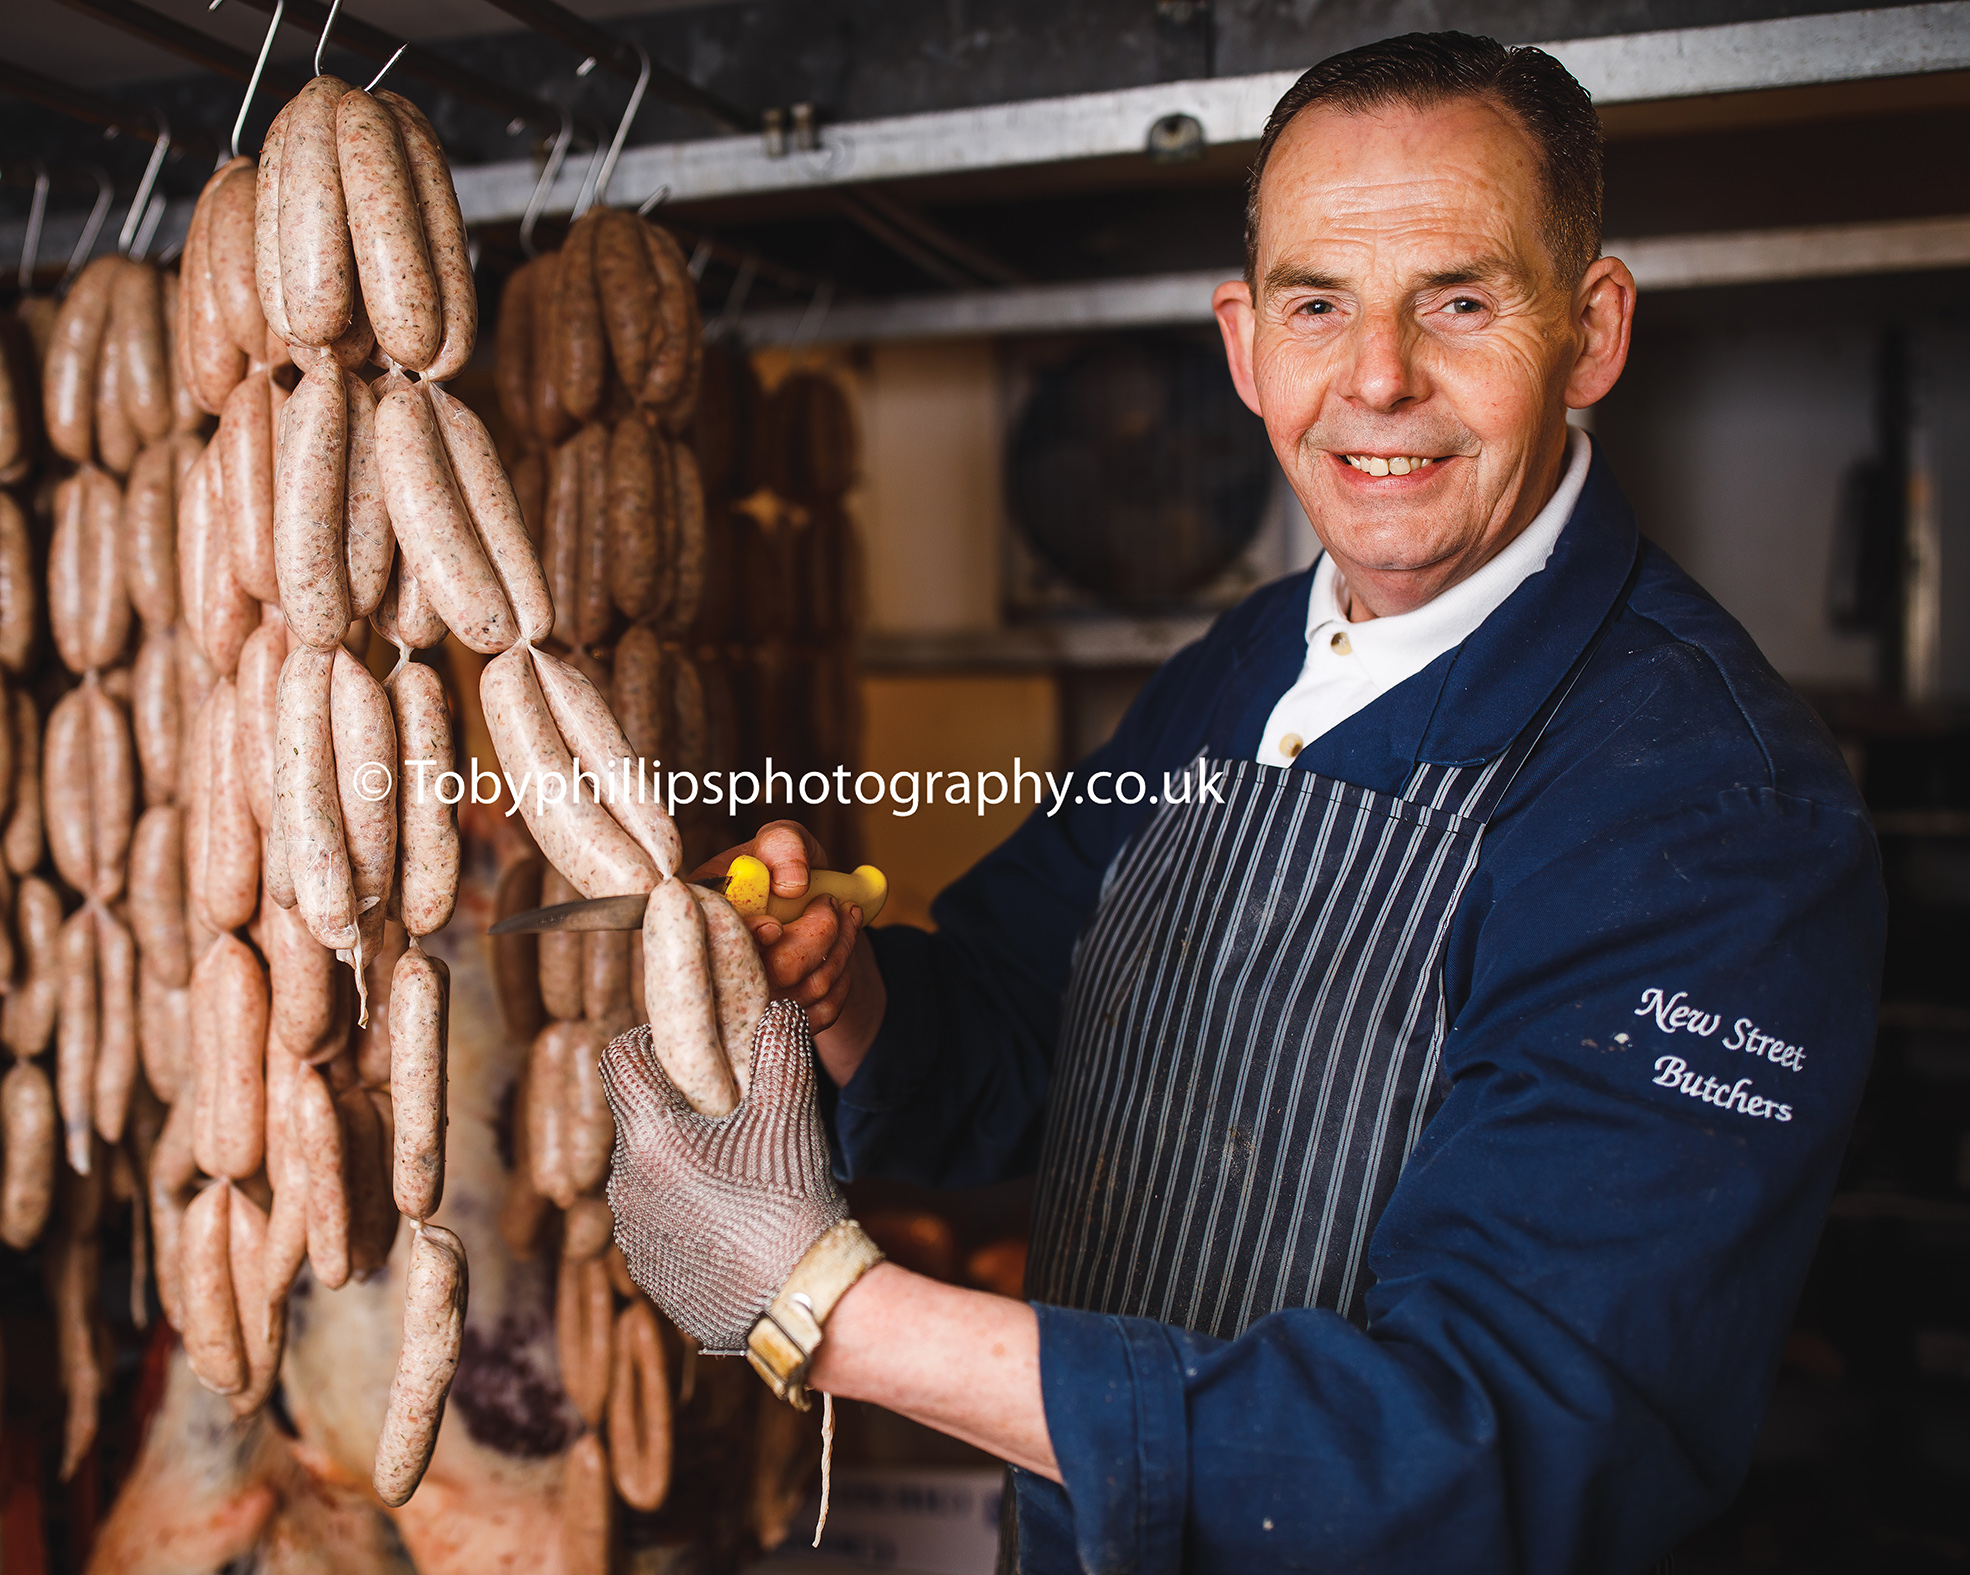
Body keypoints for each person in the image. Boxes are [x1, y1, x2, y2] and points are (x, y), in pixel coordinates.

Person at [597, 31, 1884, 1574]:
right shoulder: (1235, 666)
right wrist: (844, 987)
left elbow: (1512, 1442)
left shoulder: (1704, 805)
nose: (1377, 378)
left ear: (1591, 331)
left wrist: (826, 1306)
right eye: (1315, 303)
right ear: (1241, 342)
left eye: (1458, 301)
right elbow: (1016, 1028)